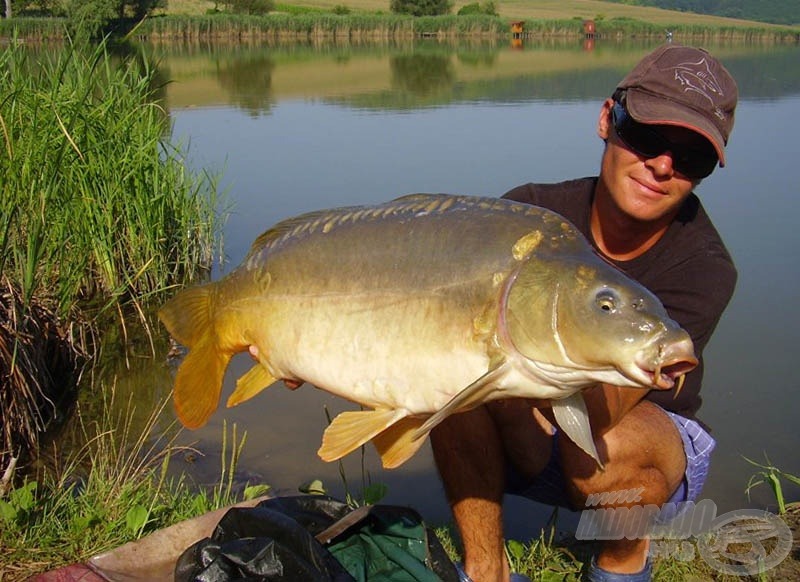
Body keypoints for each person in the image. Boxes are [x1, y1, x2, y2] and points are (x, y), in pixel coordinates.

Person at [431, 44, 739, 582]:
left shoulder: (706, 266)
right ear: (606, 119)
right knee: (445, 386)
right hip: (530, 415)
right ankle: (486, 571)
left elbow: (603, 412)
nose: (662, 166)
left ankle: (621, 562)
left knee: (607, 444)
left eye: (692, 157)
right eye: (647, 137)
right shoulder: (527, 215)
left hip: (637, 439)